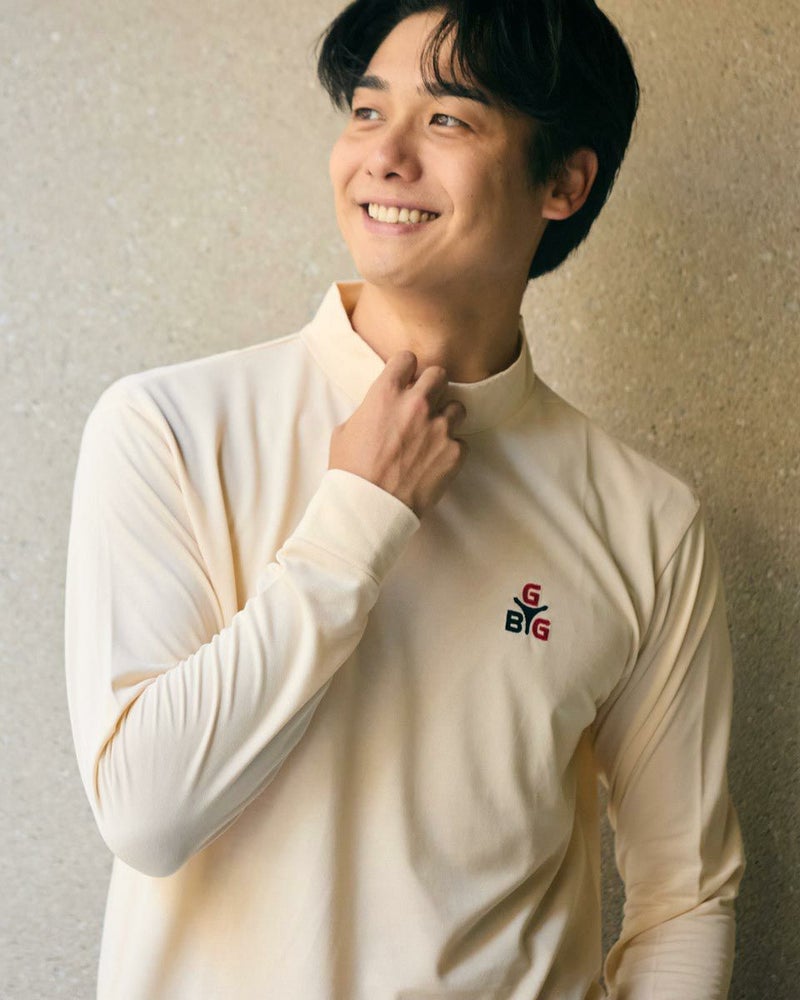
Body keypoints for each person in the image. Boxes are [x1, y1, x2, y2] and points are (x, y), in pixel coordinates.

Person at [64, 1, 745, 997]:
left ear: (562, 182)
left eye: (447, 120)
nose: (382, 156)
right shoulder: (168, 429)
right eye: (367, 111)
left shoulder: (646, 521)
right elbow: (145, 815)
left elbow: (684, 896)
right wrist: (356, 516)